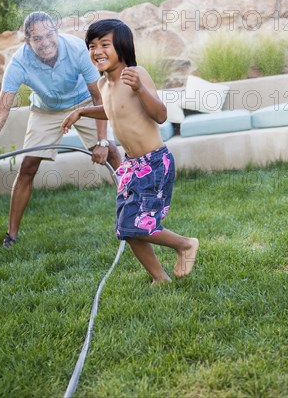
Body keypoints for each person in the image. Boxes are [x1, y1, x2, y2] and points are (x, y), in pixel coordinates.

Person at [61, 19, 199, 284]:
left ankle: (184, 244)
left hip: (155, 162)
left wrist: (139, 87)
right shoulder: (103, 85)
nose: (97, 51)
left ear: (122, 47)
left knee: (138, 224)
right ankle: (160, 279)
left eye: (104, 44)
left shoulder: (136, 74)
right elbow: (112, 110)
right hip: (131, 165)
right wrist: (81, 111)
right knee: (127, 227)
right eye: (92, 46)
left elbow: (160, 115)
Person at [0, 11, 121, 247]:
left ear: (57, 31)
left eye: (49, 34)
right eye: (37, 38)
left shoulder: (77, 49)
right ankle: (11, 235)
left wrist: (102, 142)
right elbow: (2, 107)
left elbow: (98, 97)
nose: (45, 42)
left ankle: (135, 215)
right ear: (28, 41)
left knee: (113, 152)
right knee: (28, 165)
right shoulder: (19, 62)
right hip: (46, 110)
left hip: (84, 103)